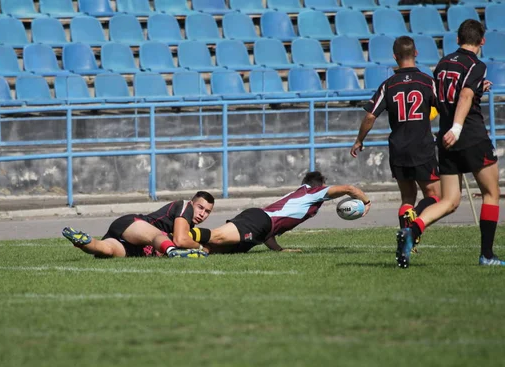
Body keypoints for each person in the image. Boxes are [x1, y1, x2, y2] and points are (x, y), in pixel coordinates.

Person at [396, 19, 503, 268]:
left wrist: (477, 90)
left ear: (456, 39)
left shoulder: (443, 63)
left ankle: (412, 231)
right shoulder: (476, 64)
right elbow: (464, 94)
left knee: (449, 200)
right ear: (482, 41)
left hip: (445, 138)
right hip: (469, 134)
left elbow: (448, 93)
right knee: (491, 193)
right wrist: (457, 127)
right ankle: (487, 255)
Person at [351, 35, 441, 231]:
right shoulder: (427, 82)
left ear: (395, 56)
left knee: (407, 197)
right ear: (416, 53)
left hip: (399, 148)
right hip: (423, 146)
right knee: (435, 196)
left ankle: (407, 241)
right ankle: (415, 220)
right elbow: (446, 107)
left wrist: (359, 140)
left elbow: (369, 116)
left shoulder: (388, 85)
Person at [196, 171, 371, 254]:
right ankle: (179, 235)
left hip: (262, 226)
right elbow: (349, 189)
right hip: (258, 219)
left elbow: (269, 231)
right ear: (320, 185)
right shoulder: (313, 192)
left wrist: (280, 250)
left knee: (213, 249)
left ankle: (175, 247)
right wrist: (366, 202)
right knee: (216, 236)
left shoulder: (300, 194)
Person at [62, 191, 215, 258]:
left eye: (207, 211)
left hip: (134, 246)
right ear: (192, 203)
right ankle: (172, 252)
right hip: (133, 225)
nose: (202, 214)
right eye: (200, 208)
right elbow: (180, 240)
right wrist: (201, 248)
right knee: (157, 235)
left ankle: (84, 241)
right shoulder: (184, 206)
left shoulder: (189, 223)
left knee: (106, 249)